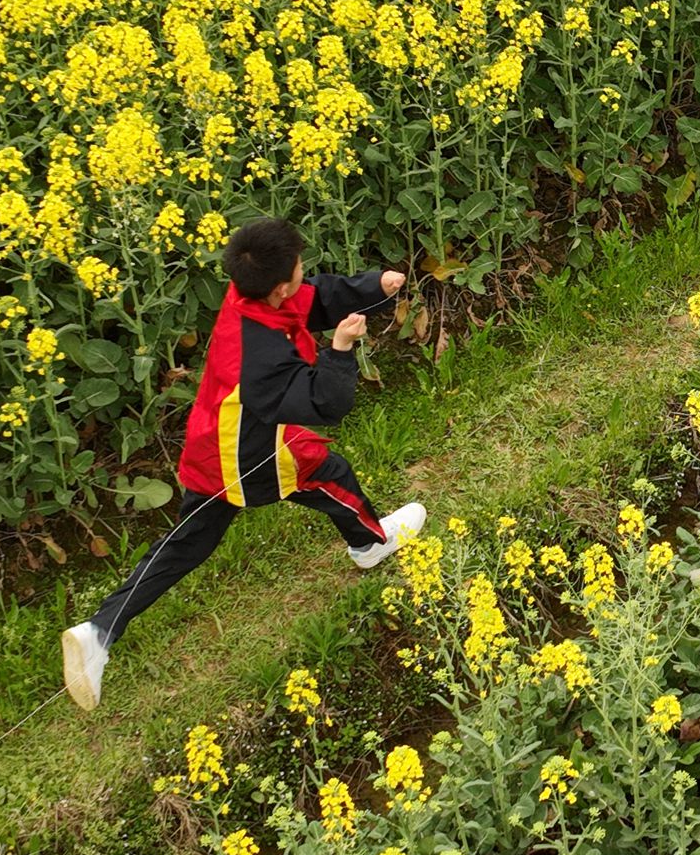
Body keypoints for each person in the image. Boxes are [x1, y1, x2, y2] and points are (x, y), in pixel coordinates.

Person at [60, 218, 426, 710]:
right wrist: (340, 351)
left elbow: (311, 298)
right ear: (279, 284)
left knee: (188, 542)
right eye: (299, 266)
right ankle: (370, 544)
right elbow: (324, 402)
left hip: (214, 439)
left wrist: (372, 287)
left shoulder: (249, 297)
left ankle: (98, 632)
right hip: (248, 456)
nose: (304, 271)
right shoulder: (259, 354)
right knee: (326, 473)